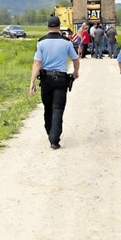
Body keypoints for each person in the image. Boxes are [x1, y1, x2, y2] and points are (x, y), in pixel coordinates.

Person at [29, 16, 80, 149]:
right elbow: (75, 59)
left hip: (46, 79)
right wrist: (75, 72)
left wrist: (32, 82)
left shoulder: (41, 43)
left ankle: (49, 132)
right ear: (59, 26)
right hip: (61, 79)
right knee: (58, 109)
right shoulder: (67, 42)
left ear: (48, 27)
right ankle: (54, 139)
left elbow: (37, 63)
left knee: (48, 108)